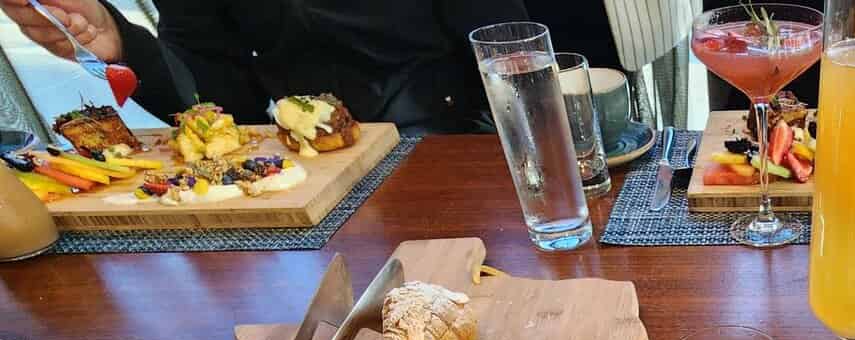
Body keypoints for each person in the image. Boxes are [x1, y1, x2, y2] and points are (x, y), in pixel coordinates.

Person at [0, 0, 577, 134]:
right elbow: (220, 104)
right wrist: (122, 45)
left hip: (461, 143)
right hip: (316, 173)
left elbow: (510, 52)